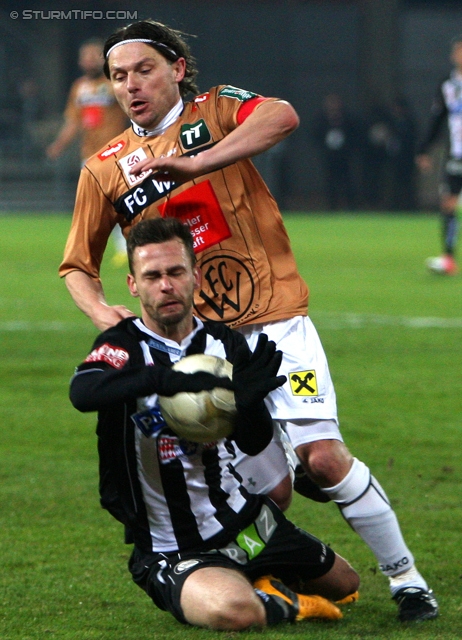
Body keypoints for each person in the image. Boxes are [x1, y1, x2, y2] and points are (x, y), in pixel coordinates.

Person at [59, 19, 438, 622]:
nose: (130, 85)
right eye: (119, 76)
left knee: (324, 460)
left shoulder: (215, 111)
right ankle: (263, 572)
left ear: (177, 68)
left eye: (144, 70)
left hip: (277, 319)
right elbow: (77, 266)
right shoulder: (105, 168)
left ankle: (408, 580)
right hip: (203, 350)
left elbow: (282, 117)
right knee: (271, 489)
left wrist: (197, 162)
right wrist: (106, 314)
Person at [69, 216, 359, 630]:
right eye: (152, 276)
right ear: (133, 285)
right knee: (234, 612)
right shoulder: (123, 345)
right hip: (172, 546)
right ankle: (284, 603)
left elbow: (254, 439)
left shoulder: (224, 342)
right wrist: (166, 380)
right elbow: (83, 392)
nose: (165, 285)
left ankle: (261, 578)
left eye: (175, 272)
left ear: (195, 277)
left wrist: (249, 406)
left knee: (347, 584)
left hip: (244, 519)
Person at [46, 38, 128, 265]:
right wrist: (59, 145)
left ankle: (126, 246)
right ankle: (94, 248)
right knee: (95, 204)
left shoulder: (115, 83)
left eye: (94, 56)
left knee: (119, 200)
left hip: (116, 151)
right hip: (90, 155)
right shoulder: (79, 87)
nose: (89, 61)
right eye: (86, 56)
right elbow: (74, 121)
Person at [416, 35, 462, 276]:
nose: (457, 55)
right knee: (448, 204)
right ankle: (448, 258)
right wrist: (424, 149)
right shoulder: (447, 85)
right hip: (457, 154)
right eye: (456, 51)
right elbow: (437, 119)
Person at [311, 93, 362, 210]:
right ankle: (332, 206)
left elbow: (355, 134)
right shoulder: (322, 119)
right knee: (330, 181)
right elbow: (315, 134)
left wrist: (349, 146)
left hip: (344, 156)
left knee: (347, 180)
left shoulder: (348, 118)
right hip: (329, 156)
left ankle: (350, 206)